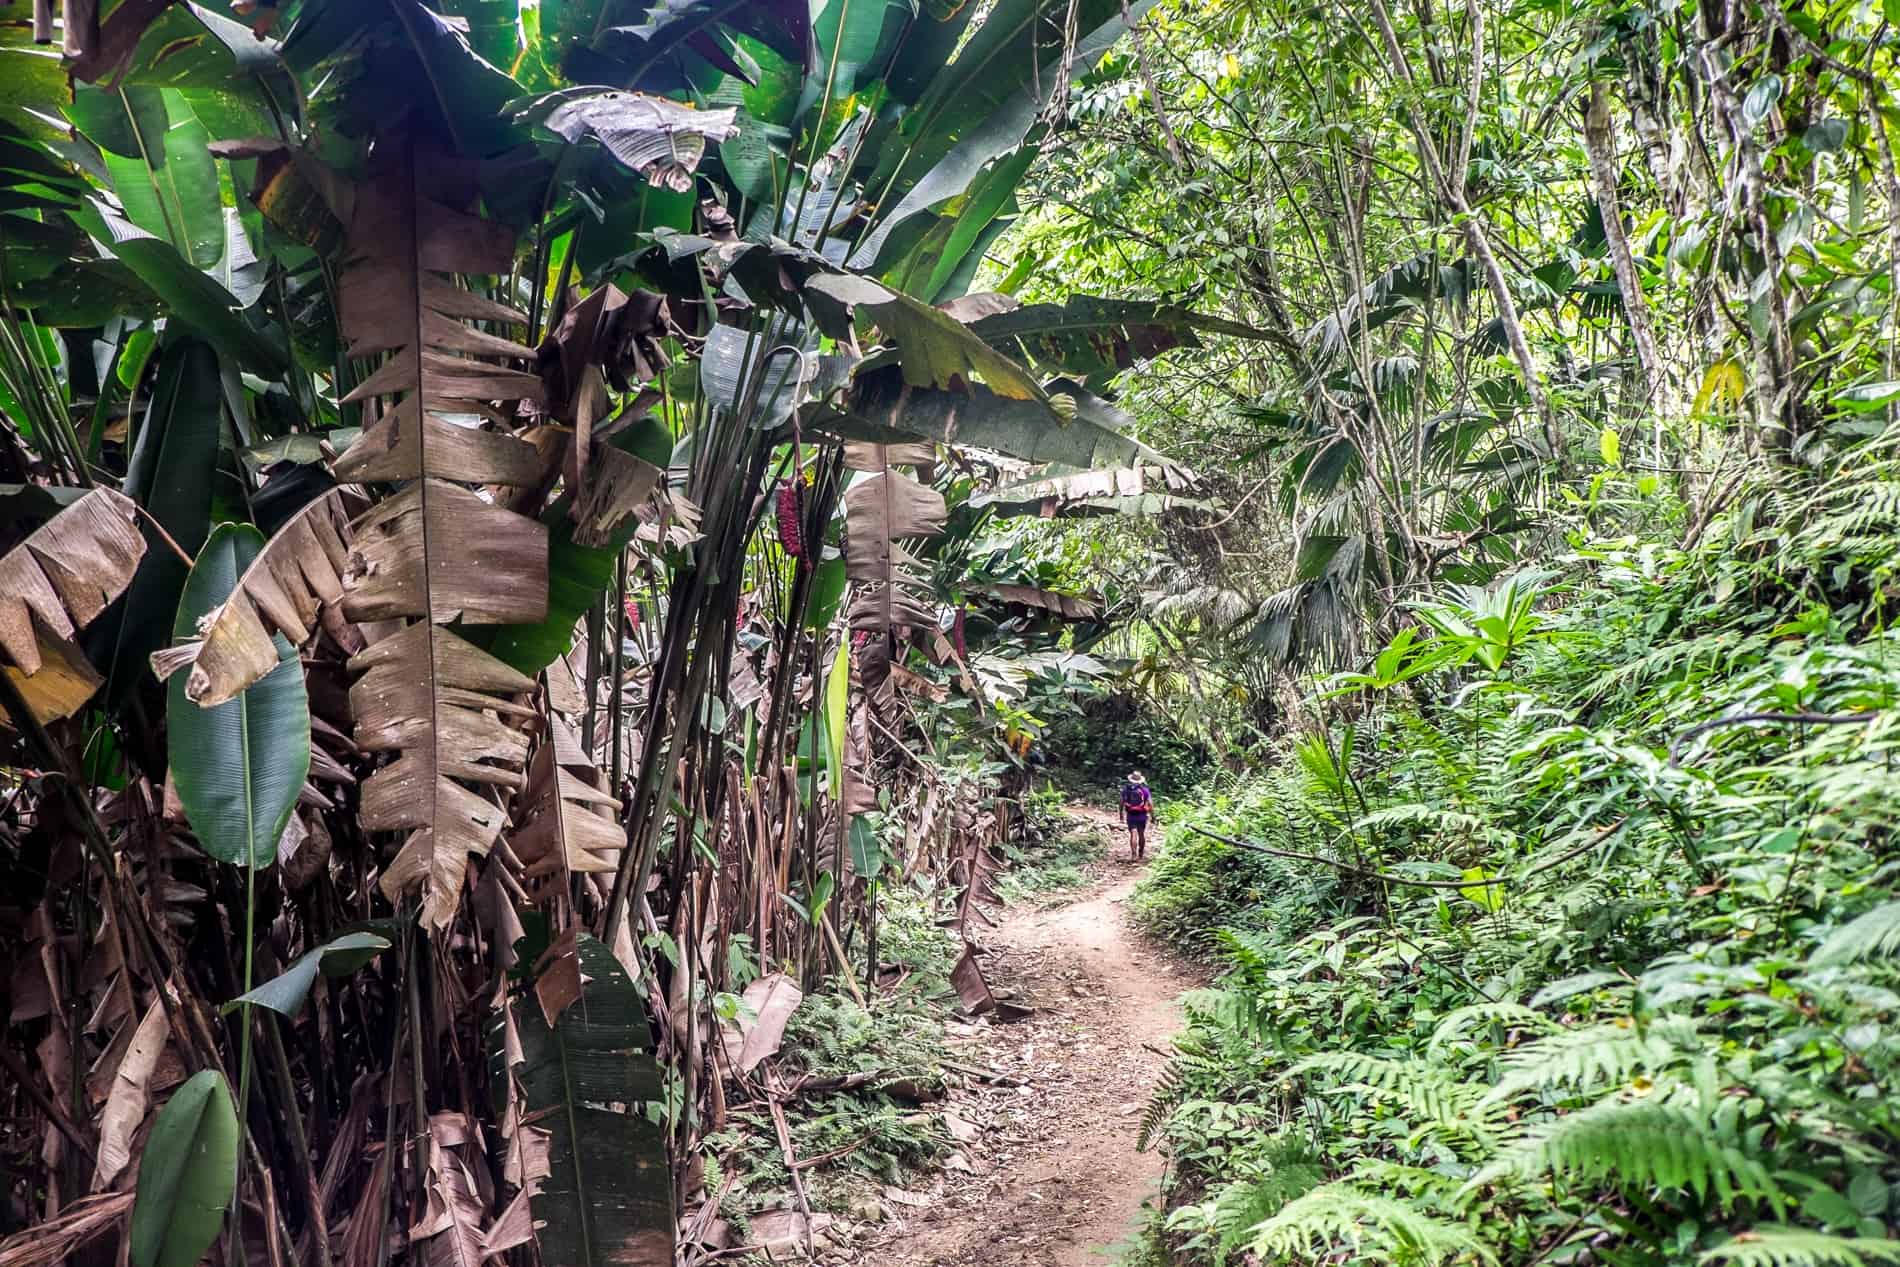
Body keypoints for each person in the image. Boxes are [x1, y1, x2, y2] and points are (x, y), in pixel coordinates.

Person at [1119, 771, 1154, 861]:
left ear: (1131, 779)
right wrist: (1152, 816)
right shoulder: (1145, 790)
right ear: (1141, 780)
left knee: (1133, 833)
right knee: (1141, 833)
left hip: (1131, 814)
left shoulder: (1126, 789)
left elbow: (1121, 802)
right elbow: (1150, 804)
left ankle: (1134, 855)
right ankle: (1141, 853)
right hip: (1142, 814)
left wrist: (1121, 815)